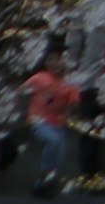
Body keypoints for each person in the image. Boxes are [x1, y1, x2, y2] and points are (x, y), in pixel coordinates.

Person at [24, 45, 85, 195]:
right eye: (50, 59)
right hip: (38, 120)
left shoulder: (70, 82)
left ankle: (46, 182)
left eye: (59, 59)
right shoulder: (39, 78)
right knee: (53, 141)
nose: (55, 63)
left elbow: (74, 102)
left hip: (58, 123)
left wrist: (70, 109)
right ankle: (45, 175)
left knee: (61, 152)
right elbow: (21, 91)